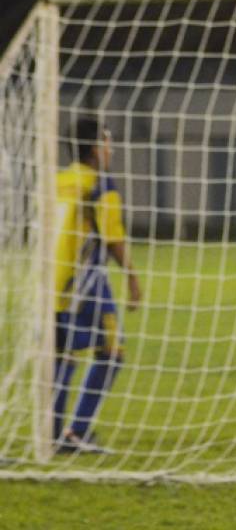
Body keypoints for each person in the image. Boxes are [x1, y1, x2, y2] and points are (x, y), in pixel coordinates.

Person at [52, 118, 141, 454]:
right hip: (84, 281)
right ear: (93, 149)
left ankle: (54, 433)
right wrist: (132, 278)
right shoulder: (100, 184)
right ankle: (75, 431)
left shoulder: (59, 181)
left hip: (53, 280)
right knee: (112, 351)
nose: (111, 149)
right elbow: (113, 237)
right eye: (107, 141)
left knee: (62, 356)